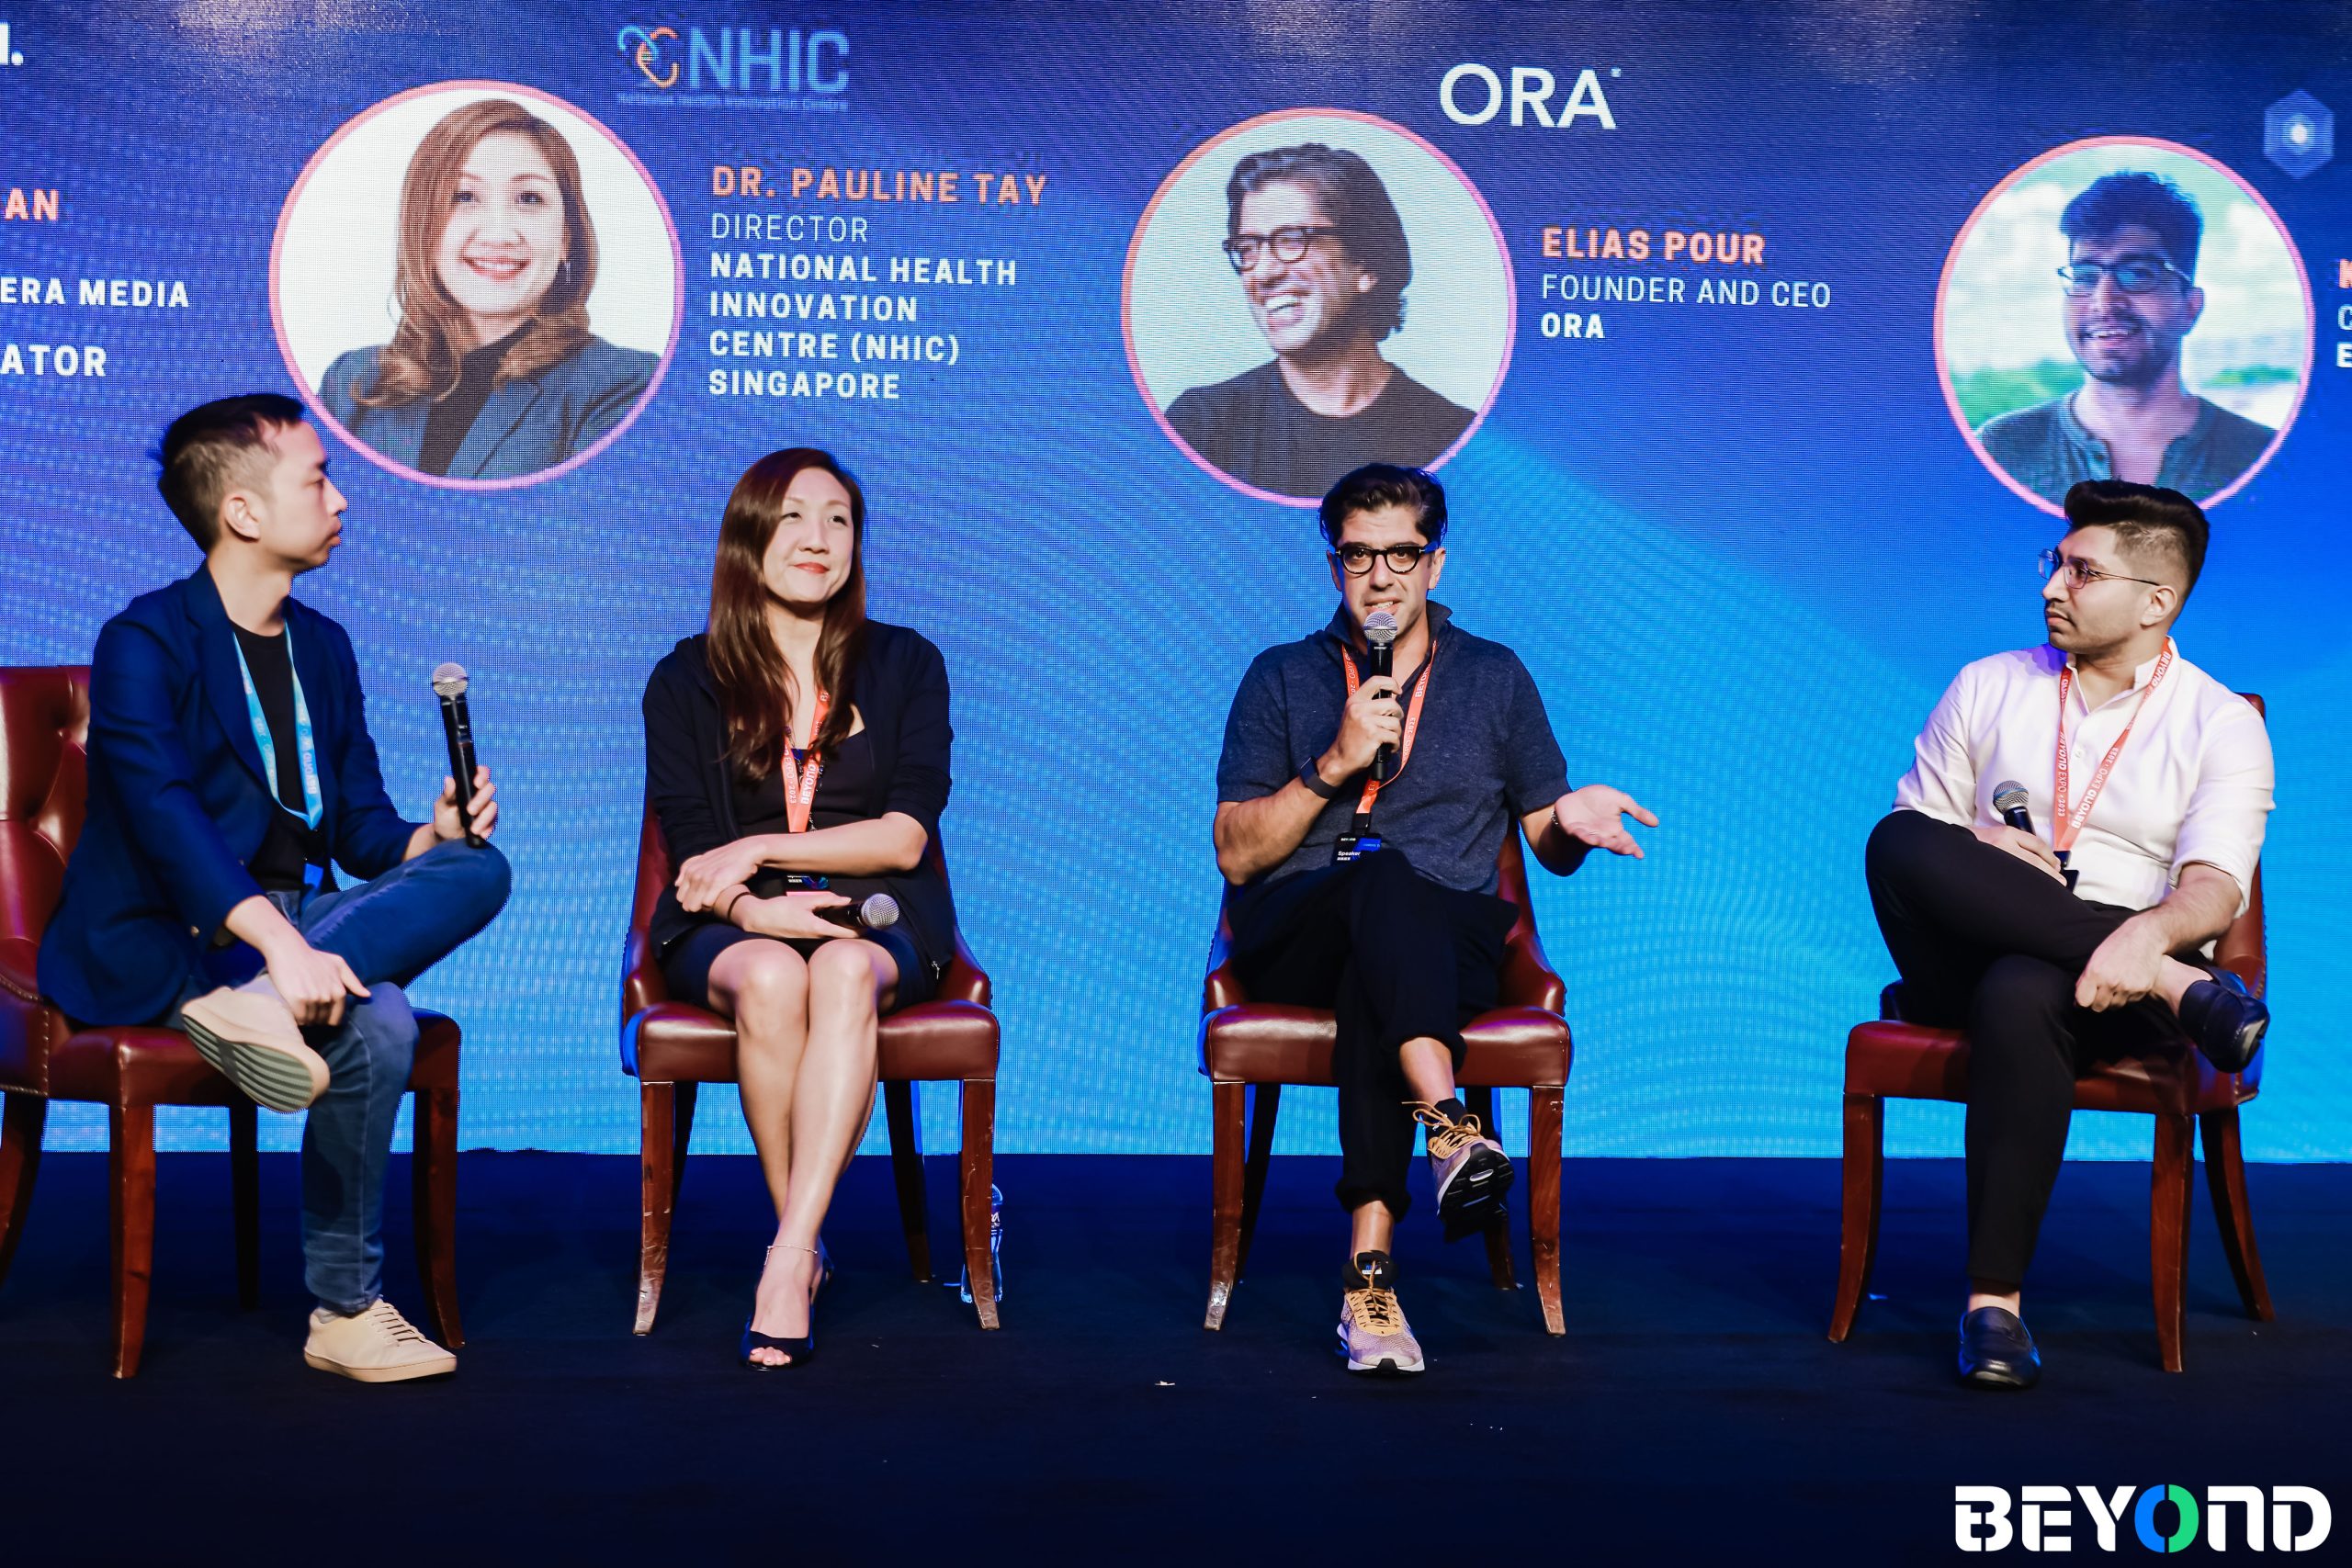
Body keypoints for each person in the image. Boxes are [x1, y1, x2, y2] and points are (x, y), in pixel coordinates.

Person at [38, 393, 512, 1382]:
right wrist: (280, 948)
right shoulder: (143, 640)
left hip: (294, 933)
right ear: (243, 511)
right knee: (380, 1021)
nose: (342, 500)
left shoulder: (323, 647)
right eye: (319, 479)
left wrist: (429, 835)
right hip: (170, 937)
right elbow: (166, 818)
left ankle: (264, 1007)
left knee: (480, 866)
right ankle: (348, 1307)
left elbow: (358, 830)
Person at [1213, 462, 1656, 1375]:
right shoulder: (1281, 676)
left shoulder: (1494, 676)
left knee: (1384, 946)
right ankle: (1448, 1125)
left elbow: (1545, 838)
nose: (1381, 577)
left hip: (1446, 940)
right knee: (1378, 884)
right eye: (1359, 555)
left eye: (1402, 554)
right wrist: (1334, 763)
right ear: (1333, 566)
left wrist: (1569, 823)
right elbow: (1237, 854)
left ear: (1436, 563)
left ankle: (1370, 1284)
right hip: (1298, 927)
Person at [1866, 479, 2273, 1391]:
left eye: (2082, 571)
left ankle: (1993, 1306)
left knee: (2025, 985)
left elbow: (2214, 889)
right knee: (1896, 840)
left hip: (2108, 998)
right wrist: (1980, 840)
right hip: (1967, 961)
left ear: (2155, 601)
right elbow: (1919, 844)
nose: (2052, 584)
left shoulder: (2219, 724)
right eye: (2055, 562)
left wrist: (2149, 939)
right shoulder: (1987, 684)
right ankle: (2182, 987)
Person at [641, 448, 956, 1370]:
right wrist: (750, 906)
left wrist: (761, 848)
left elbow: (904, 837)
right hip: (728, 920)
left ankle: (787, 1257)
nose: (818, 538)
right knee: (776, 977)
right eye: (792, 517)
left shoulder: (906, 662)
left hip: (882, 913)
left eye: (838, 520)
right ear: (748, 538)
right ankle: (801, 1243)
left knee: (845, 968)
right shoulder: (685, 677)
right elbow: (693, 845)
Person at [318, 97, 658, 480]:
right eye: (464, 197)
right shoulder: (353, 383)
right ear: (423, 228)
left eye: (529, 199)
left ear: (567, 236)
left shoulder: (627, 384)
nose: (499, 234)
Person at [1166, 143, 1475, 500]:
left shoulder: (1454, 438)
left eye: (1292, 241)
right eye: (1248, 249)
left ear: (1365, 265)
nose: (1262, 273)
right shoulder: (1202, 426)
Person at [1975, 172, 2274, 505]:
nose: (2104, 302)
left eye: (2138, 274)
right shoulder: (1998, 450)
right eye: (2085, 276)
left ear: (2190, 308)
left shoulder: (2264, 457)